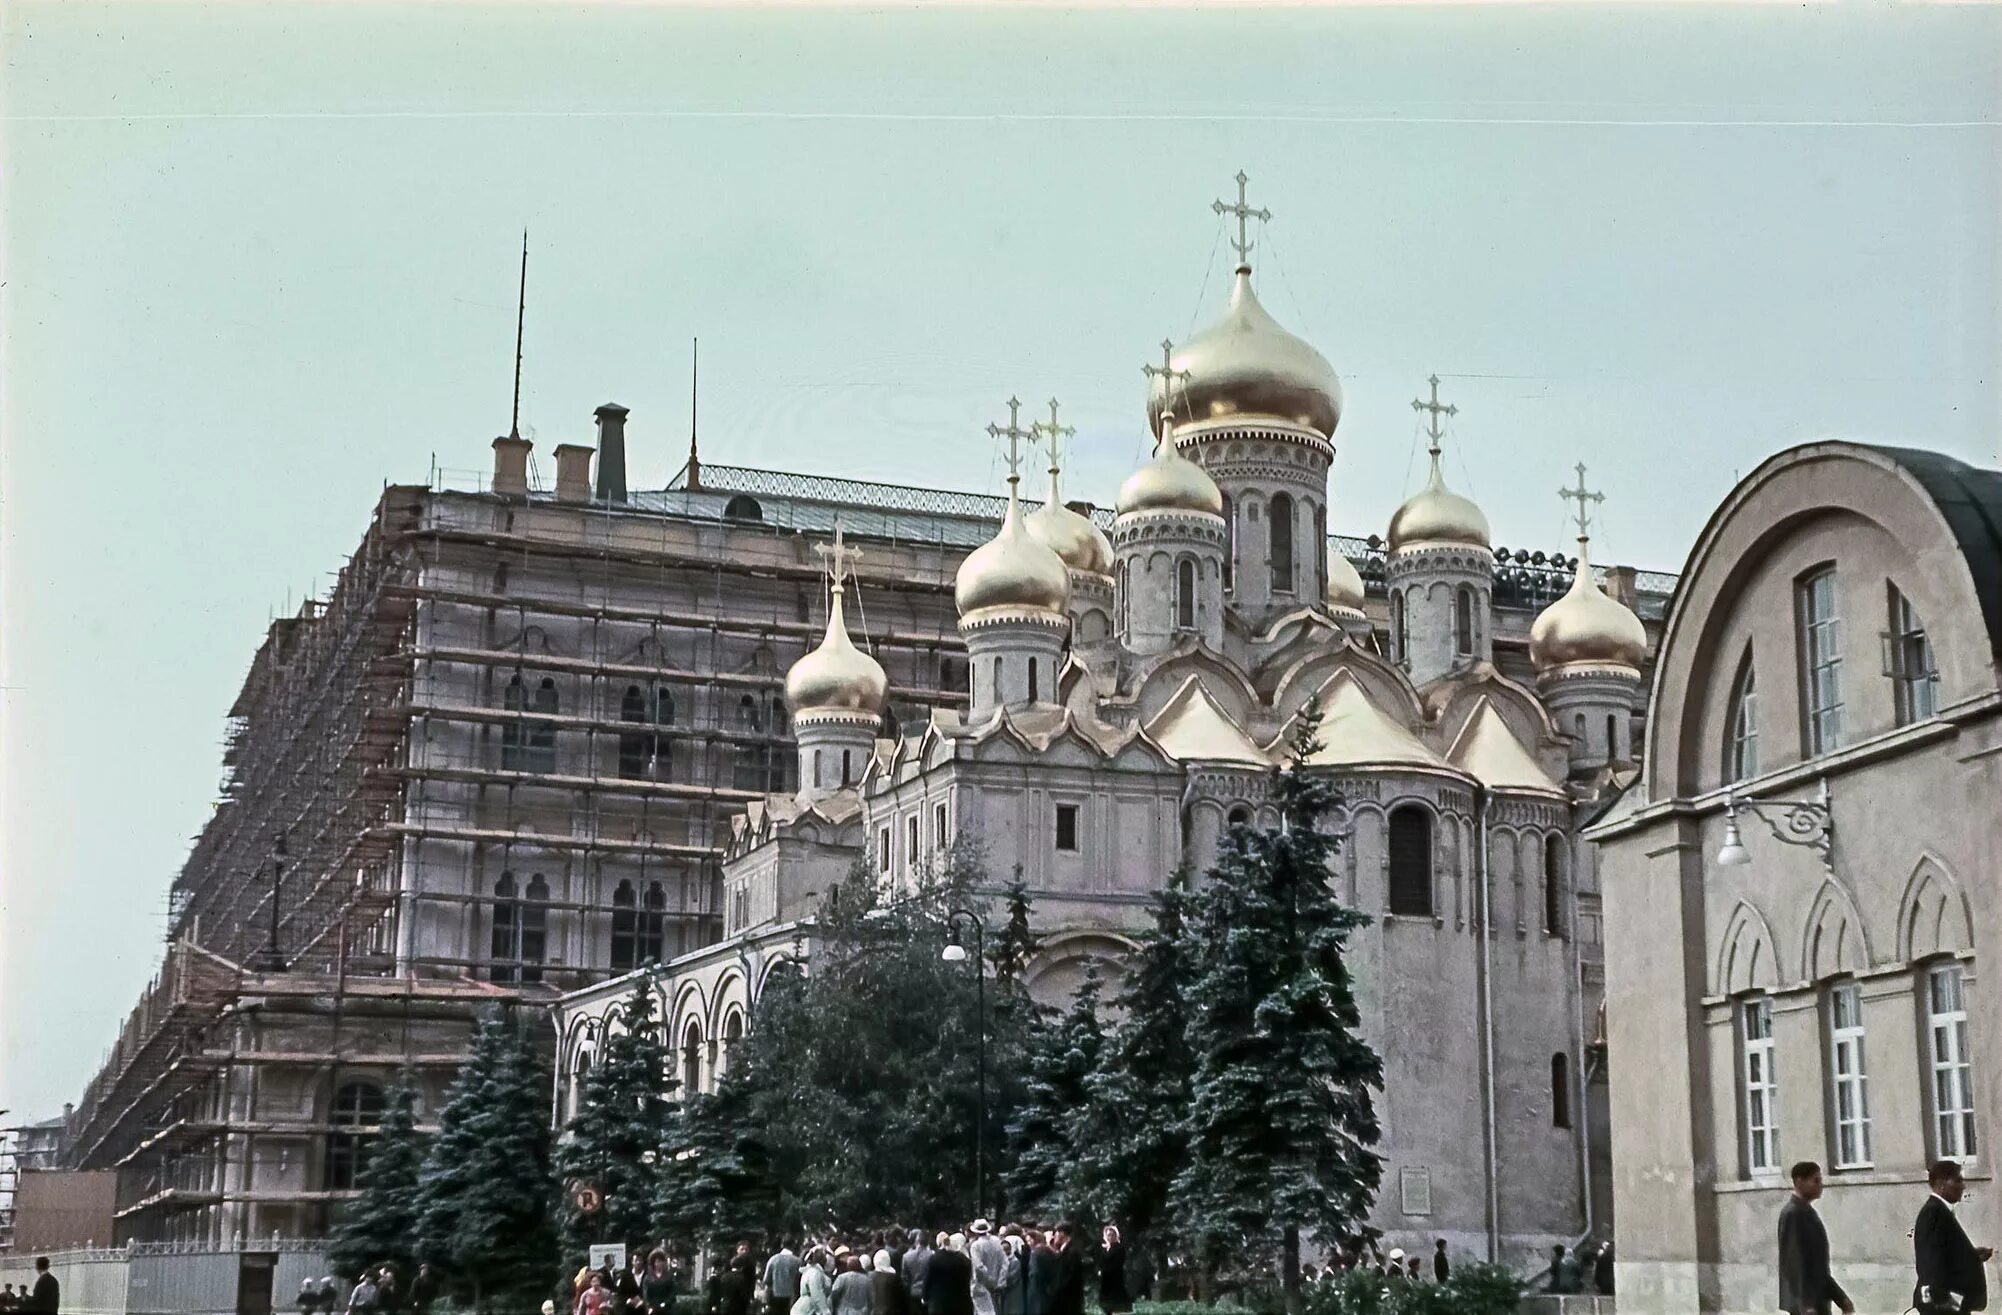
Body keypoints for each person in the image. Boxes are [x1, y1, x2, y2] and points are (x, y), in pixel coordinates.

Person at [1914, 1158, 1993, 1315]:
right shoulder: (1933, 1213)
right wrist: (1942, 1299)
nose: (1963, 1186)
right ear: (1941, 1183)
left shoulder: (1940, 1211)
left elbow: (1945, 1253)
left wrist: (1972, 1255)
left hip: (1951, 1303)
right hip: (1944, 1305)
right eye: (1958, 1181)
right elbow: (1929, 1261)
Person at [1777, 1161, 1853, 1315]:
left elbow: (1818, 1266)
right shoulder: (1792, 1214)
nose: (1820, 1185)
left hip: (1818, 1301)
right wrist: (1806, 1304)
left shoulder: (1808, 1212)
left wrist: (1840, 1298)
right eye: (1815, 1180)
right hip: (1807, 1306)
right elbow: (1794, 1263)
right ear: (1799, 1182)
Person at [924, 1234, 974, 1315]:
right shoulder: (965, 1262)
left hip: (939, 1304)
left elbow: (928, 1280)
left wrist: (925, 1296)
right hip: (960, 1304)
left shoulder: (935, 1259)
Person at [969, 1221, 1006, 1315]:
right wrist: (1000, 1282)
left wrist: (990, 1283)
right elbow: (1005, 1263)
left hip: (981, 1285)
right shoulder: (997, 1243)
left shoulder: (975, 1246)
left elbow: (979, 1267)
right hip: (997, 1285)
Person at [1047, 1225, 1084, 1315]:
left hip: (1068, 1296)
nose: (1054, 1236)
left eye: (1056, 1233)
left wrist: (1057, 1288)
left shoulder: (1072, 1251)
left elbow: (1071, 1274)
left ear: (1062, 1233)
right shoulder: (1065, 1248)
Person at [1097, 1227, 1130, 1315]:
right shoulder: (1104, 1248)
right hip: (1105, 1278)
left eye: (1112, 1235)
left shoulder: (1120, 1248)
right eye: (1108, 1235)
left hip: (1115, 1277)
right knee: (1106, 1302)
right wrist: (1100, 1270)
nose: (1110, 1237)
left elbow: (1118, 1262)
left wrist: (1106, 1269)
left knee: (1116, 1301)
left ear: (1116, 1236)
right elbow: (1101, 1261)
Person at [766, 1241, 803, 1315]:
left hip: (775, 1296)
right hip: (791, 1297)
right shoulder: (797, 1261)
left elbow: (766, 1280)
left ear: (782, 1245)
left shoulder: (773, 1259)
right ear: (793, 1246)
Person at [900, 1232, 932, 1315]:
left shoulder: (906, 1256)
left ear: (916, 1242)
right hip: (928, 1294)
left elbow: (904, 1279)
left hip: (913, 1292)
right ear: (928, 1241)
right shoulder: (932, 1255)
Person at [1023, 1231, 1055, 1315]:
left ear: (1035, 1239)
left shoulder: (1035, 1253)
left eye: (1029, 1240)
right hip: (1047, 1287)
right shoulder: (1048, 1250)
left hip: (1036, 1288)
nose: (1028, 1243)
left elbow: (1034, 1272)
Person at [794, 1248, 833, 1315]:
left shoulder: (815, 1271)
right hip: (809, 1309)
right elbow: (817, 1293)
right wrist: (825, 1311)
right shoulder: (814, 1273)